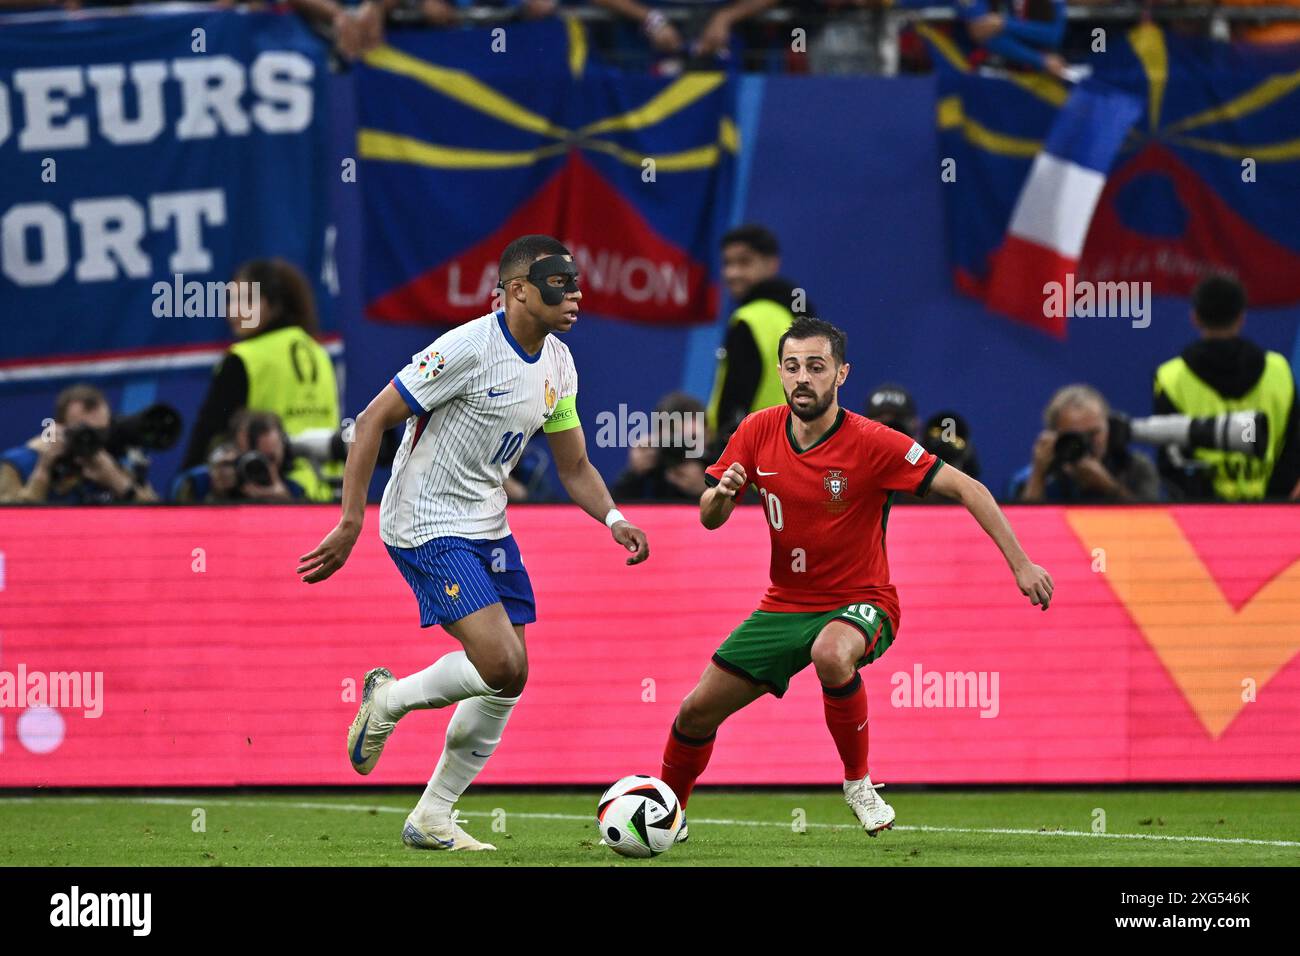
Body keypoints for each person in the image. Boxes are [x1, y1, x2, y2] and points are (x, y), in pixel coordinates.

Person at [297, 234, 650, 851]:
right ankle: (389, 698)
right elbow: (374, 419)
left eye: (575, 284)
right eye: (558, 286)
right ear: (516, 291)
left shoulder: (560, 364)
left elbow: (573, 468)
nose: (575, 296)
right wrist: (350, 520)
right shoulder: (466, 347)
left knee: (511, 677)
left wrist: (614, 516)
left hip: (488, 523)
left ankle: (433, 816)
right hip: (424, 521)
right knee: (502, 664)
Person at [658, 317, 1053, 842]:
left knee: (831, 652)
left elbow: (969, 488)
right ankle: (668, 812)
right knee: (694, 712)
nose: (803, 378)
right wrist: (722, 496)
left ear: (841, 373)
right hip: (784, 605)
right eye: (793, 367)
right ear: (780, 371)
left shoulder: (873, 442)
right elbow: (709, 517)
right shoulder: (756, 430)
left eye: (816, 367)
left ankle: (858, 783)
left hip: (862, 600)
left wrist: (1022, 563)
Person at [182, 258, 341, 502]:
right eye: (231, 301)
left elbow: (207, 434)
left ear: (272, 305)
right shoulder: (319, 353)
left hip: (267, 493)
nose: (232, 311)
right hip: (325, 495)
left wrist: (185, 486)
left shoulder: (244, 358)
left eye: (246, 301)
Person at [1154, 274, 1300, 501]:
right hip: (1273, 514)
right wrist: (1275, 499)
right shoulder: (1279, 370)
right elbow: (1293, 445)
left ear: (1195, 318)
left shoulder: (1171, 377)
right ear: (1241, 317)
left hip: (1203, 518)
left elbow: (1172, 460)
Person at [707, 225, 813, 443]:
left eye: (744, 262)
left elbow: (735, 401)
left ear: (772, 264)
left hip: (750, 458)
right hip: (797, 451)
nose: (732, 273)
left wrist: (721, 449)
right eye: (727, 263)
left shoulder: (749, 320)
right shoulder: (803, 324)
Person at [0, 384, 159, 505]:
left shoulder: (110, 463)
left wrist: (118, 482)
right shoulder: (19, 464)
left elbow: (159, 523)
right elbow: (9, 529)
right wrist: (43, 471)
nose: (92, 442)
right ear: (58, 428)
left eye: (101, 433)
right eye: (84, 433)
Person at [1011, 384, 1159, 503]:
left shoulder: (1135, 468)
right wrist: (1039, 473)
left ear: (1108, 427)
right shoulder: (1034, 476)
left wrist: (1110, 487)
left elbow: (1157, 525)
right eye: (1075, 436)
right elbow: (1022, 529)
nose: (1086, 443)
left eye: (1093, 433)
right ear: (1055, 435)